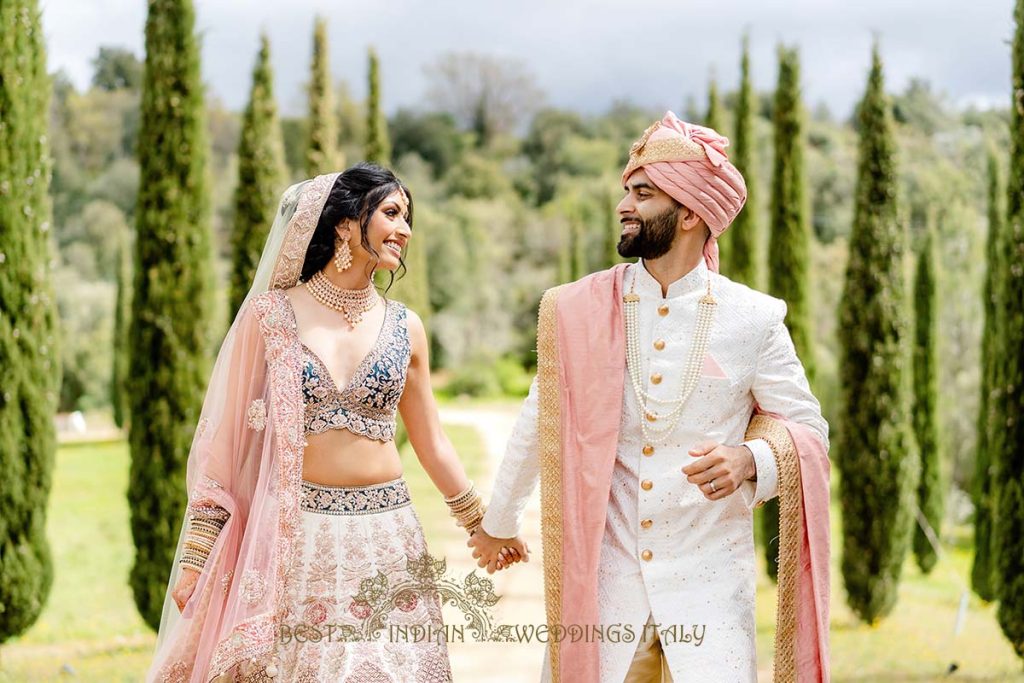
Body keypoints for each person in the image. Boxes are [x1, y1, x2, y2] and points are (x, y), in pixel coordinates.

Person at [469, 113, 832, 682]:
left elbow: (809, 429)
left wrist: (750, 460)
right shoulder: (578, 310)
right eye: (626, 192)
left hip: (711, 595)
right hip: (609, 591)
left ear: (690, 214)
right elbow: (539, 420)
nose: (624, 205)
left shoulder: (754, 318)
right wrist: (498, 521)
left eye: (643, 193)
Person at [147, 163, 489, 682]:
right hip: (299, 543)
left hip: (388, 540)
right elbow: (225, 446)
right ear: (345, 224)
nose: (406, 229)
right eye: (392, 213)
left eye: (408, 217)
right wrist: (197, 555)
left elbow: (433, 442)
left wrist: (480, 524)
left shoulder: (406, 327)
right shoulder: (270, 318)